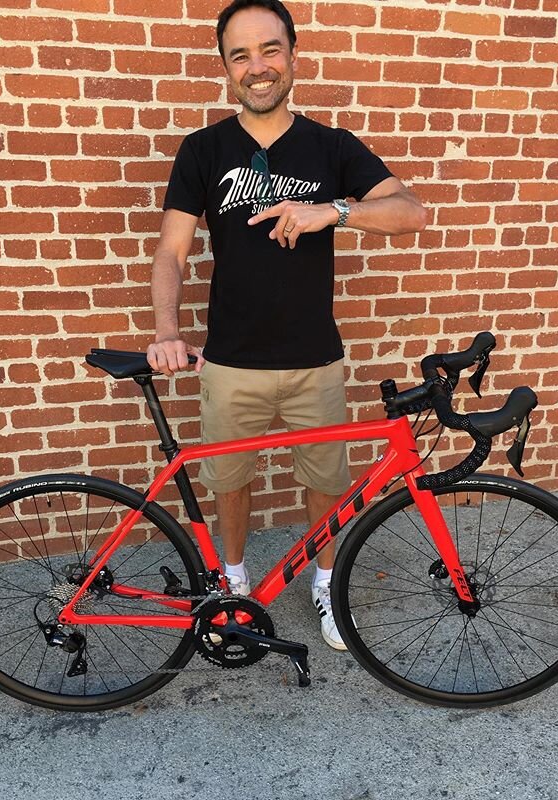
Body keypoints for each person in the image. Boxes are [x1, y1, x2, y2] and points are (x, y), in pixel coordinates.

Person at [147, 0, 427, 650]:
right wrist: (166, 329)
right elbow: (171, 251)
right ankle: (235, 584)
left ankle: (326, 584)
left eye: (269, 49)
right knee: (230, 484)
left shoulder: (331, 146)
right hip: (231, 362)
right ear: (225, 69)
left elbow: (410, 211)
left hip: (315, 361)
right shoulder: (204, 149)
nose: (257, 67)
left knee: (326, 485)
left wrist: (334, 210)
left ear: (293, 55)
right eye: (240, 55)